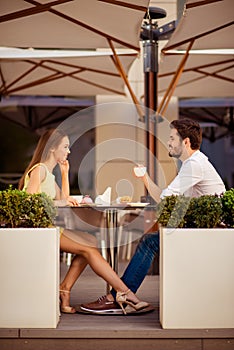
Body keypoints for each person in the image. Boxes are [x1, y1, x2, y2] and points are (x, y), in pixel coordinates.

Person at [80, 118, 226, 313]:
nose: (168, 142)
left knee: (149, 242)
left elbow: (166, 198)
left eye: (172, 138)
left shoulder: (194, 165)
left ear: (186, 142)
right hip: (205, 229)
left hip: (210, 233)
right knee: (151, 240)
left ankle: (118, 296)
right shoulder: (193, 163)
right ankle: (121, 295)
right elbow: (166, 197)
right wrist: (145, 178)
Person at [19, 128, 149, 315]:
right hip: (38, 230)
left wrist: (65, 174)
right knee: (88, 248)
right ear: (52, 149)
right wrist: (61, 201)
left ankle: (64, 289)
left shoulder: (49, 173)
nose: (68, 151)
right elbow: (29, 202)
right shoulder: (39, 170)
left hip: (48, 228)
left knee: (92, 241)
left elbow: (64, 199)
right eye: (65, 147)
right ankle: (124, 292)